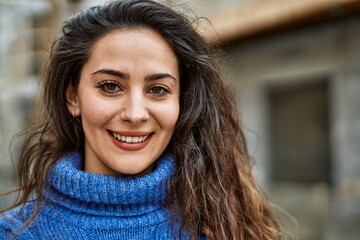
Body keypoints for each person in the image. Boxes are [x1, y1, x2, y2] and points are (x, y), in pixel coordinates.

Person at [0, 0, 286, 239]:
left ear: (181, 102)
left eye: (158, 90)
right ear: (73, 97)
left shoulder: (224, 226)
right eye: (110, 86)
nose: (135, 114)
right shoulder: (13, 233)